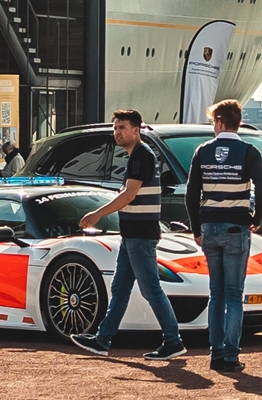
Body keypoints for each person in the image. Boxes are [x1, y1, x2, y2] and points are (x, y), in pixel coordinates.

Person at [71, 109, 185, 361]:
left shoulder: (141, 155)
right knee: (121, 288)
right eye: (115, 128)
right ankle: (103, 339)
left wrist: (98, 213)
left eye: (122, 127)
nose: (117, 133)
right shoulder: (138, 155)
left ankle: (173, 340)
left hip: (140, 235)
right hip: (133, 234)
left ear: (136, 130)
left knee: (150, 289)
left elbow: (129, 195)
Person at [183, 100, 262, 373]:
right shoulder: (249, 151)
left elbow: (191, 194)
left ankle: (215, 353)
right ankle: (231, 356)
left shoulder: (202, 151)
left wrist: (196, 229)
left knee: (216, 294)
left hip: (209, 227)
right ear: (238, 123)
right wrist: (256, 219)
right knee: (234, 295)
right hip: (236, 227)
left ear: (219, 122)